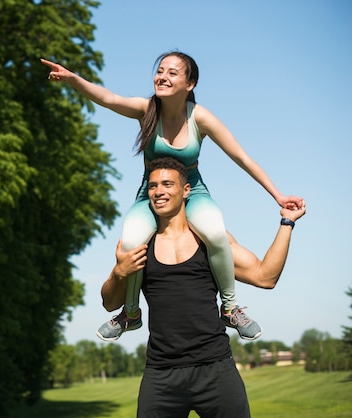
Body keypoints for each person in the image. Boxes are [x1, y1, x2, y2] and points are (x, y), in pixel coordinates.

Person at [41, 53, 304, 341]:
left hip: (193, 191)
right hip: (150, 194)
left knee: (215, 233)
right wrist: (73, 79)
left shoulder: (199, 117)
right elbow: (109, 98)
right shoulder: (146, 109)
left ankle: (229, 308)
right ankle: (131, 314)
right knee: (130, 242)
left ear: (190, 83)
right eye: (159, 71)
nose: (162, 77)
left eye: (172, 73)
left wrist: (277, 196)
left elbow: (241, 157)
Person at [100, 157, 305, 418]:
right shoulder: (140, 245)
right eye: (152, 186)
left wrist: (287, 223)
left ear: (186, 191)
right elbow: (109, 303)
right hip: (161, 375)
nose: (159, 191)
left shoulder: (210, 241)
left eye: (167, 184)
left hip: (216, 369)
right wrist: (119, 272)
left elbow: (266, 277)